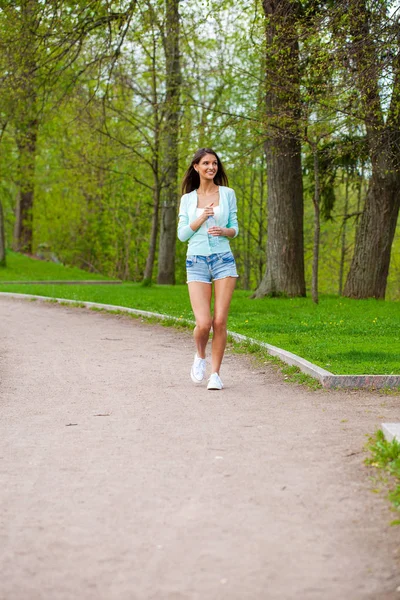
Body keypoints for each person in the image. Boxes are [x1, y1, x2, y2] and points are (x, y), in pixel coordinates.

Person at [177, 148, 239, 390]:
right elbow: (183, 235)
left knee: (220, 320)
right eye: (206, 163)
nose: (211, 167)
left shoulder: (227, 194)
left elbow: (235, 228)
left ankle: (215, 374)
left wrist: (225, 231)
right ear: (196, 167)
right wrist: (202, 217)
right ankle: (200, 356)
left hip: (223, 259)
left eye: (214, 163)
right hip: (196, 261)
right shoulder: (188, 199)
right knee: (203, 323)